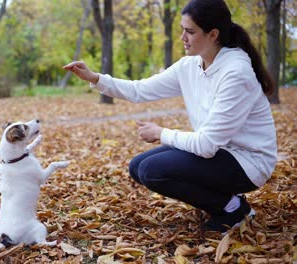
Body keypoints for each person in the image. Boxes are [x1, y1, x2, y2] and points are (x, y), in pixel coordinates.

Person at [63, 0, 277, 233]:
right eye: (182, 29)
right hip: (221, 151)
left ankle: (233, 209)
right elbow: (139, 90)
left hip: (248, 162)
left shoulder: (236, 73)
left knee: (152, 171)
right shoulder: (191, 66)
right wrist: (95, 78)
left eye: (190, 31)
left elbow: (205, 145)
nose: (183, 37)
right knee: (138, 166)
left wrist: (161, 133)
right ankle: (224, 198)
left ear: (213, 34)